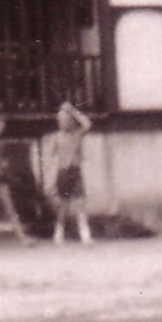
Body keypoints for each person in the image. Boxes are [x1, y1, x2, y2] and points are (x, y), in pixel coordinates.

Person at [50, 102, 93, 244]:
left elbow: (87, 124)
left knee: (80, 202)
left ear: (71, 122)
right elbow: (51, 157)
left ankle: (85, 234)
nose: (62, 123)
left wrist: (73, 111)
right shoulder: (57, 137)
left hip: (75, 170)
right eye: (60, 120)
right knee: (63, 205)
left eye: (65, 120)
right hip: (62, 171)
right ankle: (58, 233)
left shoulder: (77, 134)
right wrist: (51, 178)